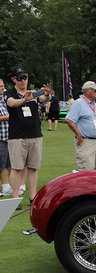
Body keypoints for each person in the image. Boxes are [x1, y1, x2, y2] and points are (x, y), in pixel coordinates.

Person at [5, 67, 50, 208]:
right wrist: (25, 99)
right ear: (13, 79)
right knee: (17, 168)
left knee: (33, 167)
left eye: (25, 77)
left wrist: (47, 94)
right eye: (20, 78)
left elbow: (44, 98)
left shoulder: (33, 93)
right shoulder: (9, 93)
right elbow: (12, 103)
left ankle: (32, 197)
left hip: (35, 134)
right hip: (17, 136)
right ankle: (15, 198)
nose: (23, 81)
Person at [65, 81, 96, 171]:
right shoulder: (78, 103)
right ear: (88, 91)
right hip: (86, 142)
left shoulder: (94, 103)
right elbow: (69, 120)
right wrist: (79, 134)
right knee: (87, 170)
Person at [0, 78, 11, 196]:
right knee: (1, 163)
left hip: (8, 136)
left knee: (9, 163)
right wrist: (8, 117)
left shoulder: (4, 100)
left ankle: (7, 186)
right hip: (0, 137)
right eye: (0, 86)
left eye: (3, 86)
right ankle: (5, 187)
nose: (3, 88)